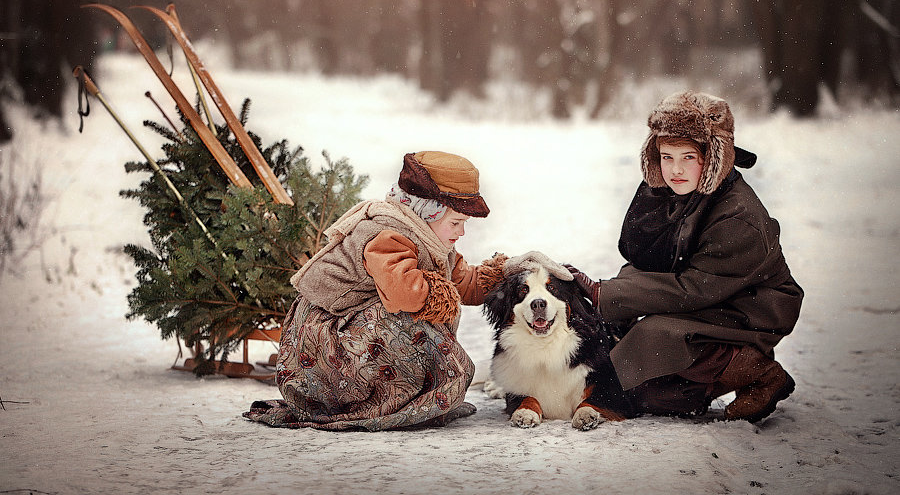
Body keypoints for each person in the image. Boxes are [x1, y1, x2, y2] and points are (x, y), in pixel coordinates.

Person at [244, 151, 562, 430]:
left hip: (359, 332)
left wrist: (511, 267)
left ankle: (402, 394)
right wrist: (444, 293)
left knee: (421, 315)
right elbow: (404, 294)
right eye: (456, 222)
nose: (461, 232)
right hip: (324, 342)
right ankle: (362, 399)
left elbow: (464, 283)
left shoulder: (432, 240)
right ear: (429, 211)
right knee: (409, 321)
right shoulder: (386, 233)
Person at [567, 91, 803, 423]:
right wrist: (607, 305)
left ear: (713, 158)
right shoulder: (676, 188)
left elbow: (694, 289)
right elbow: (643, 260)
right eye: (666, 157)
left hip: (748, 308)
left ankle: (756, 370)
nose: (675, 170)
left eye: (688, 157)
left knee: (652, 343)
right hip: (706, 292)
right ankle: (669, 375)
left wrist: (603, 294)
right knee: (626, 353)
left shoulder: (738, 215)